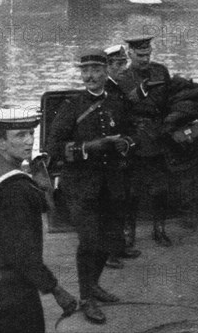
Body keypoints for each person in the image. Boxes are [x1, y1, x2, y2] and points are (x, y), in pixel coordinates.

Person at [45, 49, 138, 324]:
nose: (90, 76)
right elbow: (52, 148)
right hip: (80, 187)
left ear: (106, 71)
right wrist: (88, 147)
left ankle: (93, 284)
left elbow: (134, 132)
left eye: (96, 70)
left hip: (111, 184)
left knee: (109, 240)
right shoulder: (72, 106)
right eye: (85, 71)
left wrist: (127, 143)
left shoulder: (117, 102)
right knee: (89, 242)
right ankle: (87, 299)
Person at [0, 108, 77, 333]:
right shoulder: (16, 188)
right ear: (0, 141)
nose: (29, 141)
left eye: (30, 133)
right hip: (15, 291)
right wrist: (56, 290)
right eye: (20, 135)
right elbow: (22, 253)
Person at [117, 35, 173, 247]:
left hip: (159, 136)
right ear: (129, 53)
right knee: (131, 190)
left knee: (161, 188)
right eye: (140, 55)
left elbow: (169, 100)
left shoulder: (161, 71)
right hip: (135, 138)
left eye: (148, 54)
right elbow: (121, 109)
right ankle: (129, 231)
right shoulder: (122, 78)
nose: (144, 59)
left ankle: (159, 229)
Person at [103, 44, 141, 269]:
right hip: (109, 153)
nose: (122, 68)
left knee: (122, 199)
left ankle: (118, 246)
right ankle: (107, 252)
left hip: (122, 151)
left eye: (123, 63)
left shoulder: (118, 87)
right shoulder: (106, 89)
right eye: (117, 64)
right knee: (110, 203)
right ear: (106, 66)